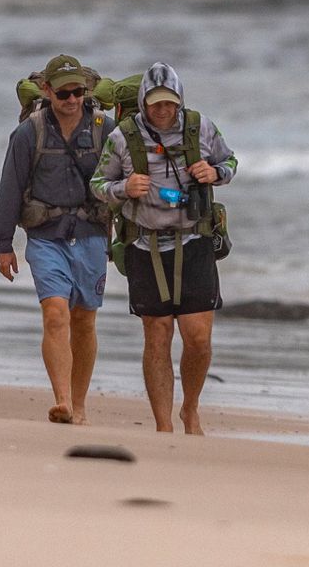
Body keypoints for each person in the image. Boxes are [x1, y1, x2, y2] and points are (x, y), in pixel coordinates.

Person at [96, 62, 236, 434]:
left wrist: (215, 173)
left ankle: (190, 408)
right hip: (145, 245)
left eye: (169, 103)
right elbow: (97, 183)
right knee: (157, 333)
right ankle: (163, 426)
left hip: (195, 241)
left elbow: (231, 160)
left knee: (198, 338)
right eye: (156, 104)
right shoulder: (123, 137)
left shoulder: (200, 127)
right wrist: (124, 188)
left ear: (179, 101)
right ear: (143, 103)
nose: (163, 110)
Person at [0, 54, 113, 424]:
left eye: (77, 91)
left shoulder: (103, 129)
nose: (71, 99)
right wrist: (3, 242)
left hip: (91, 234)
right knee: (55, 314)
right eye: (63, 93)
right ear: (47, 91)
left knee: (85, 320)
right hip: (46, 237)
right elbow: (10, 186)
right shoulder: (29, 132)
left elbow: (123, 183)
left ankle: (79, 404)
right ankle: (62, 400)